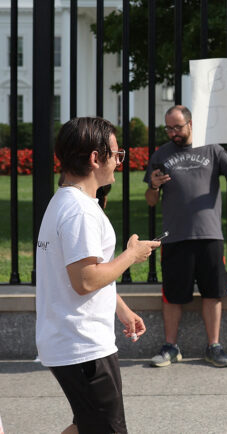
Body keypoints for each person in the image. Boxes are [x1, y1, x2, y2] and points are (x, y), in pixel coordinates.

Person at [36, 117, 159, 434]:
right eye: (118, 155)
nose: (120, 162)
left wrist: (119, 306)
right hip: (82, 344)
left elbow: (78, 272)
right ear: (95, 158)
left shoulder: (66, 202)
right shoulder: (80, 210)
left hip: (73, 340)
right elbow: (85, 280)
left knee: (88, 425)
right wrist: (132, 255)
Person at [145, 105, 227, 368]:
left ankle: (214, 346)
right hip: (175, 236)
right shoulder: (161, 155)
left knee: (213, 292)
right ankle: (170, 347)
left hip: (209, 234)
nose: (173, 133)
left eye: (178, 127)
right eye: (169, 128)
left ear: (190, 124)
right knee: (173, 294)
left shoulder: (213, 149)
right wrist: (153, 185)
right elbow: (151, 201)